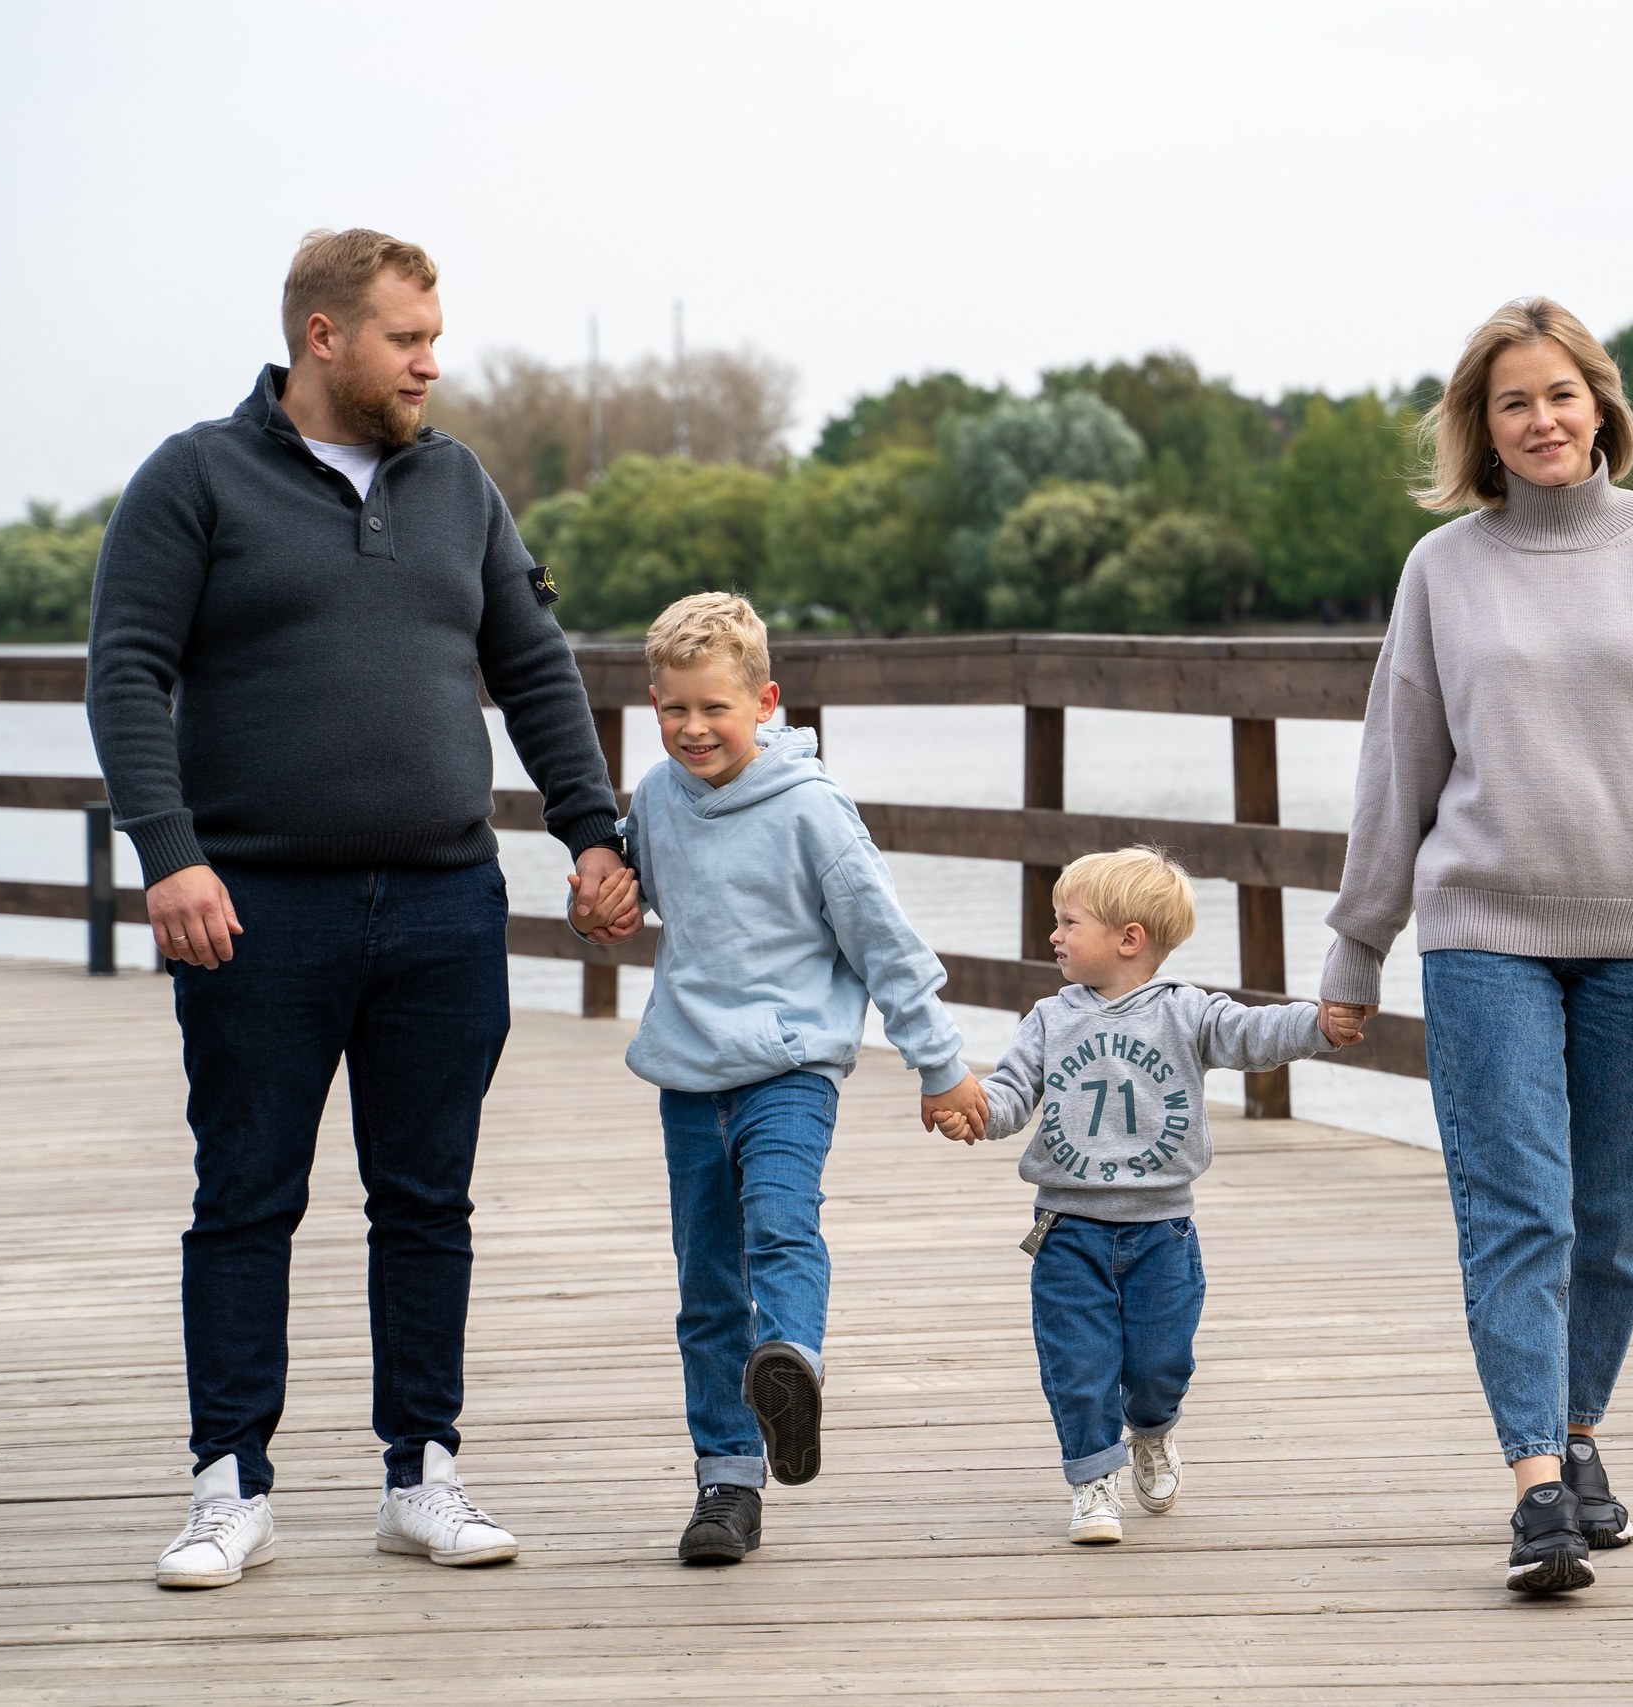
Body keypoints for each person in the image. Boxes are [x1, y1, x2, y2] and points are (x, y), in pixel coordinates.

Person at [90, 229, 632, 1590]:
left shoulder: (459, 484)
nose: (430, 363)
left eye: (434, 337)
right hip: (255, 910)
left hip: (448, 904)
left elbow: (534, 667)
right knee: (245, 1198)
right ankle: (229, 1488)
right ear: (323, 336)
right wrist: (169, 853)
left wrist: (594, 831)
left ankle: (422, 1473)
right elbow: (127, 670)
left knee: (428, 1200)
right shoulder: (195, 477)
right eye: (407, 337)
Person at [1317, 298, 1633, 1596]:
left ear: (1599, 405)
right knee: (1518, 1212)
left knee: (1609, 1224)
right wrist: (1359, 939)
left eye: (1560, 393)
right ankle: (1535, 1487)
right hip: (1482, 939)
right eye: (1513, 401)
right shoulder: (1443, 570)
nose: (1541, 419)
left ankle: (1575, 1432)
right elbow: (1399, 763)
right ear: (1483, 427)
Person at [567, 591, 992, 1567]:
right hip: (689, 1076)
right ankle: (727, 1484)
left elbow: (887, 945)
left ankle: (791, 1358)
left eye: (714, 708)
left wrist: (940, 1065)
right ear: (653, 704)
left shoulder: (812, 810)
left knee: (780, 1223)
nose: (693, 728)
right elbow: (623, 894)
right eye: (674, 708)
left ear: (764, 702)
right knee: (707, 1285)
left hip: (792, 1069)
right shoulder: (659, 799)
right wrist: (597, 909)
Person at [930, 847, 1365, 1544]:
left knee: (1161, 1364)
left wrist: (1317, 1024)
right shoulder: (1047, 1018)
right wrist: (976, 1112)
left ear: (1128, 938)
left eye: (1069, 922)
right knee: (1078, 1363)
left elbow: (1252, 1034)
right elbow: (1011, 1092)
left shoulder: (1184, 1012)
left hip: (1164, 1231)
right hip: (1068, 1227)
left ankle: (1153, 1429)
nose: (1053, 935)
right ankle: (1092, 1483)